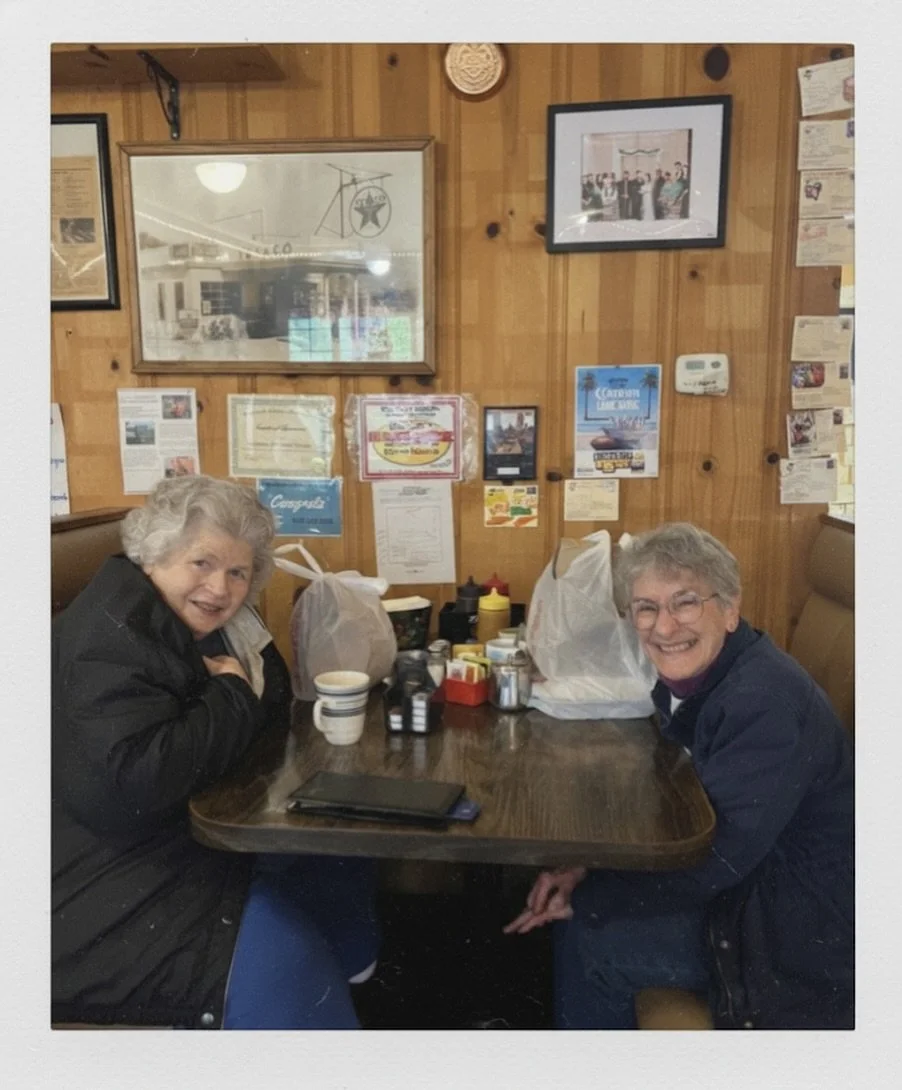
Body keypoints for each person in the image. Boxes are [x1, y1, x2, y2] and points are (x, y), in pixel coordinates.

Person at [52, 475, 380, 1029]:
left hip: (179, 840)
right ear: (154, 555)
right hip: (104, 886)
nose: (220, 588)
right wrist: (229, 696)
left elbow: (270, 698)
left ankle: (354, 980)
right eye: (200, 563)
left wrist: (236, 695)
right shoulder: (110, 634)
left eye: (237, 572)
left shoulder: (200, 617)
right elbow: (128, 788)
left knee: (342, 860)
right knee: (295, 964)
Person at [504, 522, 853, 1030]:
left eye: (685, 603)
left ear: (730, 609)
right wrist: (588, 869)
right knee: (579, 919)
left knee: (590, 940)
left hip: (797, 932)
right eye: (646, 607)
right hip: (759, 893)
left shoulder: (763, 702)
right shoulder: (709, 676)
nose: (663, 627)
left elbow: (718, 856)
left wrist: (592, 891)